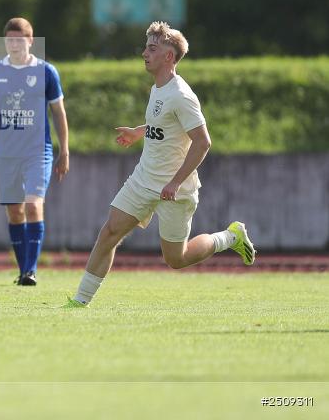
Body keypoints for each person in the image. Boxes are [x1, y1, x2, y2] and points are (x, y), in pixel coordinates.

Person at [66, 22, 255, 308]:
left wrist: (175, 182)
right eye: (146, 47)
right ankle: (79, 303)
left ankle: (230, 236)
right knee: (110, 232)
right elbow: (165, 123)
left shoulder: (181, 95)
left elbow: (203, 142)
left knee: (176, 259)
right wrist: (139, 131)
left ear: (169, 56)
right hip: (143, 179)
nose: (144, 53)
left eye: (152, 49)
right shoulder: (159, 87)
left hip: (173, 189)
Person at [0, 17, 69, 286]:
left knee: (32, 203)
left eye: (19, 39)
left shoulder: (46, 71)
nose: (14, 44)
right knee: (15, 211)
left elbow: (59, 113)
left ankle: (30, 271)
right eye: (9, 39)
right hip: (7, 153)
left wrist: (65, 150)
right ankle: (23, 270)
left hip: (38, 151)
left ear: (30, 40)